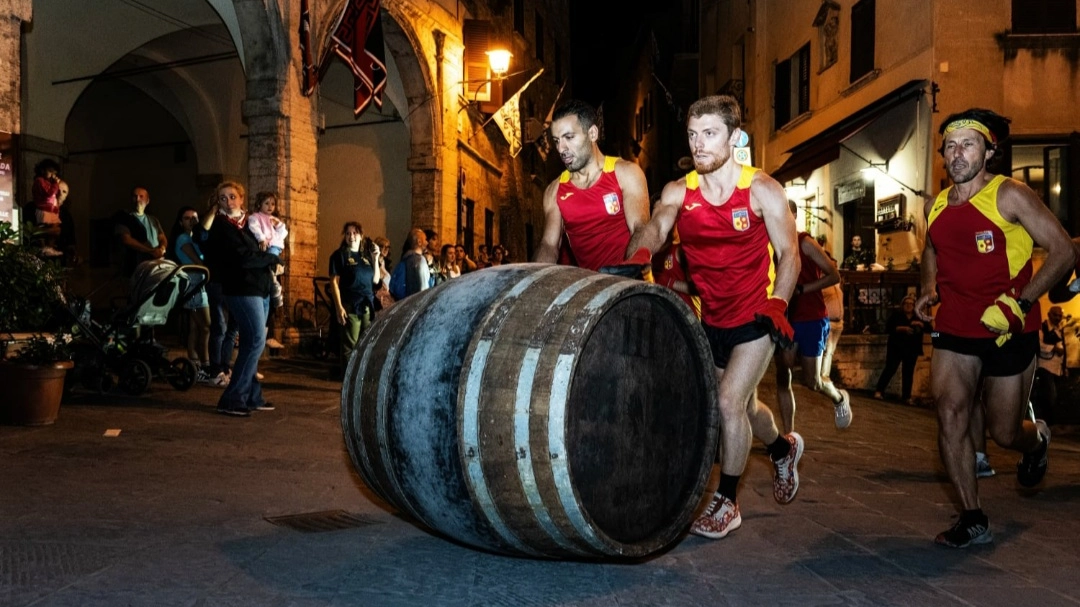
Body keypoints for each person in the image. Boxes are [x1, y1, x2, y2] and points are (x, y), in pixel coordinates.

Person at [634, 94, 803, 540]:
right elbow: (657, 226)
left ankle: (727, 502)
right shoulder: (678, 191)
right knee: (744, 406)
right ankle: (782, 448)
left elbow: (789, 254)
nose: (699, 144)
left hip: (758, 315)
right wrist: (638, 253)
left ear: (734, 137)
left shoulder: (762, 188)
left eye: (709, 134)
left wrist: (779, 303)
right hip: (711, 319)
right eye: (693, 134)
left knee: (726, 403)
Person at [914, 108, 1076, 548]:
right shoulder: (935, 205)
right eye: (950, 145)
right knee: (949, 413)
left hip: (1011, 328)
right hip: (955, 328)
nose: (957, 152)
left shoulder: (1011, 195)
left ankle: (1036, 438)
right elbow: (930, 248)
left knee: (1004, 433)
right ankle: (972, 516)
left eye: (968, 144)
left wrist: (1018, 302)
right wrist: (928, 286)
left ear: (988, 151)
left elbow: (1063, 251)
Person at [534, 99, 650, 271]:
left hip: (630, 283)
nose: (561, 148)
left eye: (569, 137)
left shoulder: (626, 174)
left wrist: (627, 272)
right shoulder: (555, 191)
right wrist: (533, 280)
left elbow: (639, 228)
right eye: (557, 140)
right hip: (592, 290)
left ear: (593, 133)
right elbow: (549, 245)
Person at [199, 181, 281, 416]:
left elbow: (272, 240)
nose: (228, 201)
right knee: (255, 340)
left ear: (242, 198)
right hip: (241, 288)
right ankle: (232, 399)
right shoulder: (221, 228)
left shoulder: (253, 221)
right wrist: (272, 260)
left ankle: (253, 396)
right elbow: (242, 258)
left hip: (261, 285)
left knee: (250, 343)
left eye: (232, 196)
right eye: (222, 198)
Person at [774, 200, 851, 434]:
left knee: (813, 382)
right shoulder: (771, 243)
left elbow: (834, 275)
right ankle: (789, 435)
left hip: (811, 316)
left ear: (794, 216)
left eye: (786, 213)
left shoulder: (806, 243)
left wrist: (802, 289)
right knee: (782, 372)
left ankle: (838, 398)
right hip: (785, 315)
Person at [328, 222, 381, 367]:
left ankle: (359, 379)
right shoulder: (340, 255)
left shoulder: (365, 257)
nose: (351, 236)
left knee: (365, 344)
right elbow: (334, 282)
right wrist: (339, 307)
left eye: (355, 233)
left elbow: (375, 280)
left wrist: (375, 258)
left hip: (366, 306)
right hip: (350, 305)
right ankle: (347, 380)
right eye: (348, 233)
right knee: (350, 345)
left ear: (361, 236)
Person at [169, 206, 211, 381]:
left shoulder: (195, 238)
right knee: (206, 326)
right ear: (181, 222)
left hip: (199, 281)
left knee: (195, 327)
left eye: (194, 218)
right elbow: (197, 260)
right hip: (193, 282)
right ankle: (205, 363)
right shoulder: (183, 238)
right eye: (187, 218)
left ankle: (194, 363)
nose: (192, 221)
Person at [873, 295, 925, 404]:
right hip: (896, 347)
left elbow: (934, 334)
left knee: (908, 373)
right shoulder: (897, 316)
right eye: (906, 303)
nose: (908, 306)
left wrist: (922, 326)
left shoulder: (919, 317)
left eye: (911, 304)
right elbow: (888, 328)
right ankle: (879, 391)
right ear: (902, 305)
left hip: (912, 349)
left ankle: (906, 397)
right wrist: (901, 328)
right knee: (890, 369)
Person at [247, 191, 289, 309]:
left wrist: (279, 225)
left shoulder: (274, 219)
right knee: (267, 267)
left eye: (272, 204)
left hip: (274, 246)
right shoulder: (255, 217)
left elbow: (283, 233)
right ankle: (273, 286)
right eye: (267, 203)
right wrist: (261, 239)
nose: (270, 206)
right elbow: (254, 228)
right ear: (259, 204)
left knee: (271, 266)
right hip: (266, 244)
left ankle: (275, 287)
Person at [115, 186, 167, 276]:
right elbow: (126, 240)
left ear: (147, 201)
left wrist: (162, 248)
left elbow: (162, 238)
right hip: (135, 266)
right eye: (135, 196)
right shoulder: (124, 218)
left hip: (155, 265)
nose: (138, 199)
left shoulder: (153, 220)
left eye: (141, 196)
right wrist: (150, 251)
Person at [1034, 305, 1068, 424]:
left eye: (1060, 315)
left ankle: (1049, 423)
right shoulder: (1042, 327)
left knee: (1054, 397)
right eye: (1055, 315)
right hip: (1045, 366)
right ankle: (1045, 423)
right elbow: (1038, 345)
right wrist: (1054, 348)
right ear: (1049, 314)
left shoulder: (1060, 329)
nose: (1058, 318)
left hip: (1058, 368)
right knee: (1049, 396)